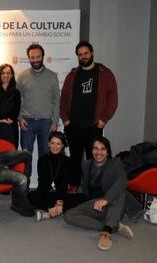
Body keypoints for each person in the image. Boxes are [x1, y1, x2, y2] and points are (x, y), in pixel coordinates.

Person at [60, 41, 118, 192]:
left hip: (94, 125)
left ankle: (93, 187)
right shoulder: (73, 75)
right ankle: (73, 185)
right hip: (74, 125)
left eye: (86, 53)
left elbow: (113, 98)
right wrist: (66, 119)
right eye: (80, 54)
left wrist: (104, 119)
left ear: (92, 53)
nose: (83, 56)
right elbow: (64, 98)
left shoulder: (105, 73)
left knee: (95, 158)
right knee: (75, 157)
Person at [63, 137, 133, 251]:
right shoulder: (86, 165)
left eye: (102, 149)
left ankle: (106, 233)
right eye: (95, 148)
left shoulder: (115, 163)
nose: (98, 152)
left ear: (108, 151)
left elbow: (122, 181)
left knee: (120, 192)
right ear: (91, 150)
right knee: (69, 215)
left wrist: (106, 199)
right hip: (94, 205)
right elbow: (83, 186)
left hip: (113, 205)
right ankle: (112, 226)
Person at [17, 43, 60, 177]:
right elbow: (17, 100)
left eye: (38, 57)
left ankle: (44, 187)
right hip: (27, 122)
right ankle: (24, 186)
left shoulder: (52, 76)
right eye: (32, 57)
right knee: (25, 156)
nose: (35, 60)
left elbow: (56, 100)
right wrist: (19, 117)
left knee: (45, 156)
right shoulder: (22, 76)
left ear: (43, 56)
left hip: (46, 122)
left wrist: (55, 121)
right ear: (28, 58)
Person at [27, 131, 87, 221]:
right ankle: (56, 209)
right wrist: (54, 201)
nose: (55, 146)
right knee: (31, 195)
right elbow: (44, 182)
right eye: (53, 143)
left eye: (58, 144)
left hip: (60, 194)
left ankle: (50, 211)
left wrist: (60, 201)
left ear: (62, 145)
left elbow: (64, 182)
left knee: (83, 197)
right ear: (48, 144)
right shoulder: (42, 159)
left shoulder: (67, 160)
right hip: (45, 193)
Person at [0, 64, 21, 149]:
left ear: (11, 75)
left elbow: (16, 110)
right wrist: (0, 120)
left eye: (8, 73)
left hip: (11, 126)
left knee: (11, 152)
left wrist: (10, 119)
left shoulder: (16, 92)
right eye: (3, 73)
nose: (5, 75)